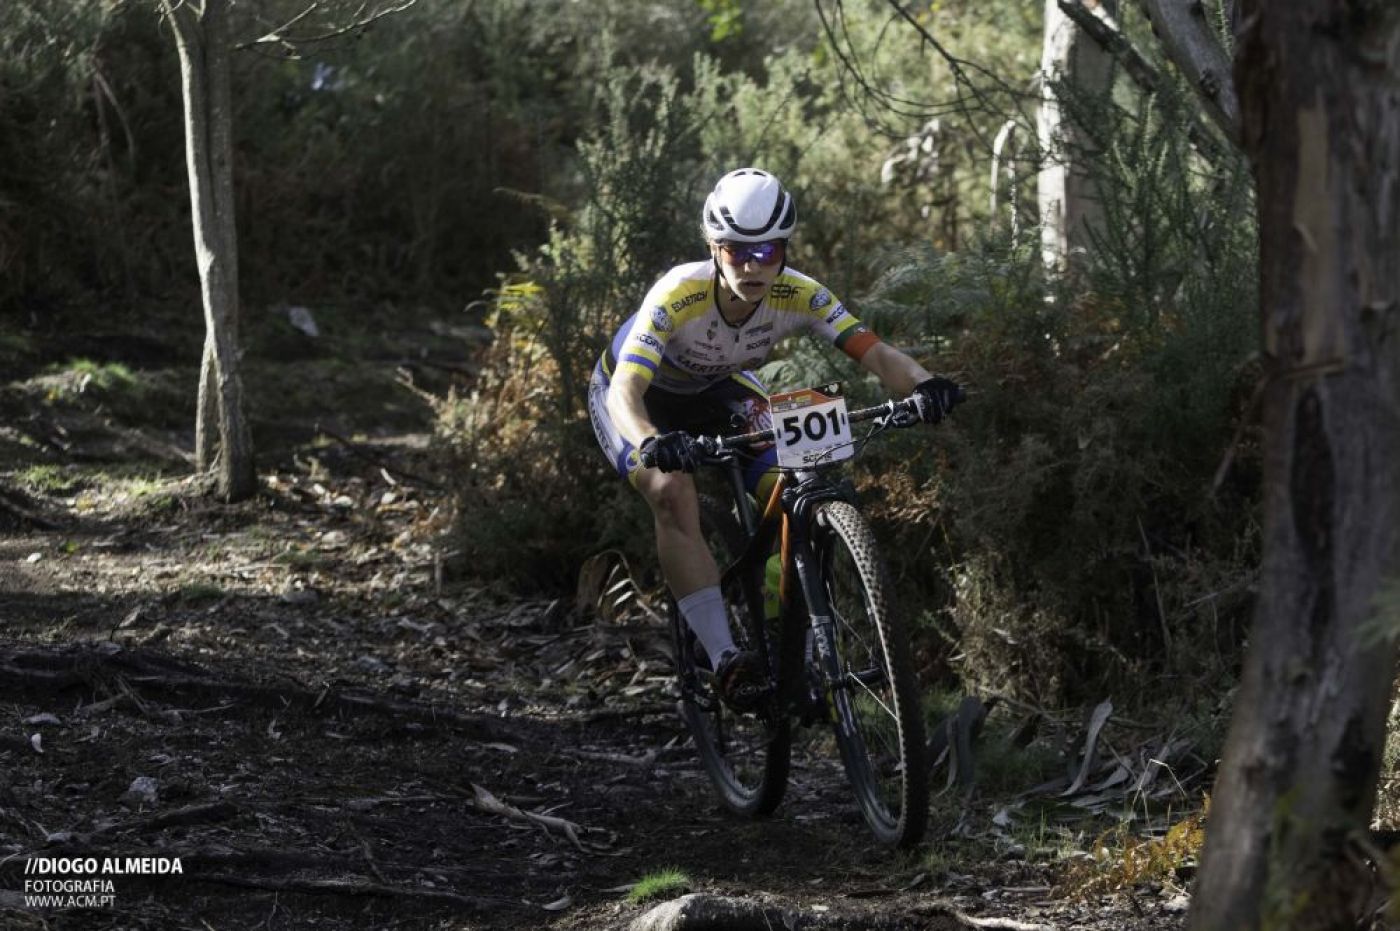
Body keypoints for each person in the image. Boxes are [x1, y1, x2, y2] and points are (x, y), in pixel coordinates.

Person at [587, 167, 961, 710]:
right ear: (715, 248)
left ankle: (786, 634)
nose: (754, 265)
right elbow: (626, 389)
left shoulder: (800, 294)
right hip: (640, 394)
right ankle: (725, 659)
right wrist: (650, 441)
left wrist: (927, 385)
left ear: (784, 249)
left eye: (768, 251)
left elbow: (875, 352)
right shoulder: (678, 292)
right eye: (738, 251)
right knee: (671, 490)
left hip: (722, 388)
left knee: (801, 478)